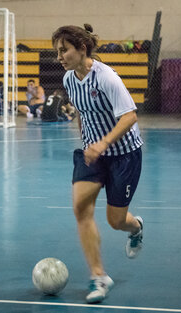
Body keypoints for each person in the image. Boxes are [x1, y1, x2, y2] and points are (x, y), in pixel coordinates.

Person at [52, 24, 145, 304]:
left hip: (124, 154)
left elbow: (129, 116)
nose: (59, 57)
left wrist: (103, 143)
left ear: (82, 49)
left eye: (64, 50)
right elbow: (82, 112)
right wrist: (88, 143)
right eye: (57, 51)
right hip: (92, 154)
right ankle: (99, 276)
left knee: (116, 221)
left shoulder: (107, 78)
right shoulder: (70, 79)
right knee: (81, 209)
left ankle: (136, 228)